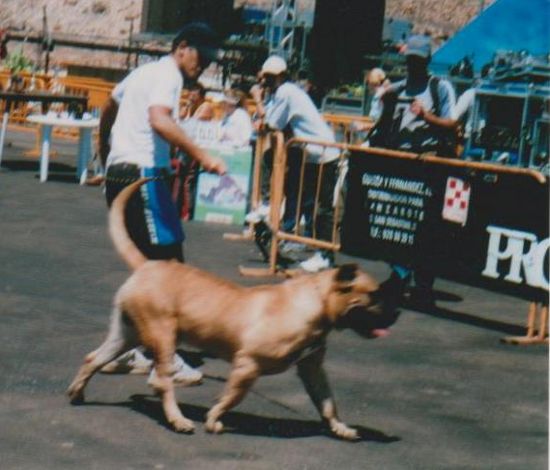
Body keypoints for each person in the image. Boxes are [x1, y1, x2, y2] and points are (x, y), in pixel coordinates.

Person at [97, 22, 227, 385]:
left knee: (147, 271)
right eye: (201, 56)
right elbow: (159, 120)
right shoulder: (168, 75)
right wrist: (203, 155)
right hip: (144, 175)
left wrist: (105, 150)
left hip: (120, 174)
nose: (203, 65)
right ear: (182, 47)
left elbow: (110, 104)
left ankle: (123, 350)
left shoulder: (143, 72)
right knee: (170, 270)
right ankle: (163, 361)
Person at [373, 34, 457, 309]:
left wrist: (426, 117)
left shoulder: (440, 88)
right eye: (410, 60)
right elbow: (382, 126)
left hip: (430, 164)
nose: (413, 66)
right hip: (401, 163)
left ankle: (421, 285)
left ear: (427, 61)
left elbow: (452, 124)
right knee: (399, 222)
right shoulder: (396, 90)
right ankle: (399, 276)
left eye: (418, 61)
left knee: (427, 227)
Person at [250, 55, 340, 273]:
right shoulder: (282, 92)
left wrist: (258, 99)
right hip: (312, 152)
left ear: (280, 76)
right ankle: (267, 205)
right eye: (265, 78)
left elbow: (270, 123)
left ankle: (325, 255)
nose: (266, 82)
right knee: (310, 202)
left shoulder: (285, 92)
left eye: (270, 78)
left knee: (322, 208)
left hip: (323, 153)